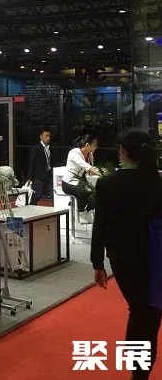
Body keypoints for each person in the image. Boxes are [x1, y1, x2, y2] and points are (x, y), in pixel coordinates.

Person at [91, 129, 162, 380]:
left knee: (139, 311)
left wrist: (97, 263)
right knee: (151, 313)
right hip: (156, 258)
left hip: (122, 259)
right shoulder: (156, 182)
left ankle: (138, 374)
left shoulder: (107, 184)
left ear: (122, 152)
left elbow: (100, 225)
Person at [61, 134, 100, 215]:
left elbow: (90, 171)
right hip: (69, 183)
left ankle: (87, 212)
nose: (96, 147)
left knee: (97, 194)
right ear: (87, 145)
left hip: (80, 182)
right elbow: (87, 167)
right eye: (95, 145)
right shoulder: (74, 153)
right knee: (88, 193)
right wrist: (102, 174)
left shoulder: (90, 155)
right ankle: (81, 213)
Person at [27, 128, 53, 205]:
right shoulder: (36, 148)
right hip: (39, 175)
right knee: (37, 195)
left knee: (52, 193)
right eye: (46, 136)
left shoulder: (50, 148)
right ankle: (31, 206)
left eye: (49, 136)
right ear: (41, 136)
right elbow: (32, 163)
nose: (48, 138)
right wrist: (30, 177)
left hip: (49, 174)